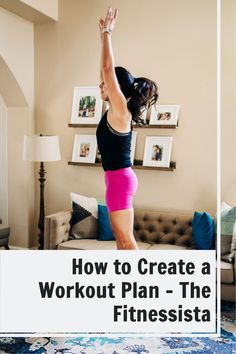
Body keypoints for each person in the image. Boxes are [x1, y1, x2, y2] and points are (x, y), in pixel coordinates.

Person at [96, 7, 158, 250]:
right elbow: (106, 71)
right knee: (122, 243)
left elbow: (108, 68)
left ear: (116, 88)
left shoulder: (121, 110)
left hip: (119, 179)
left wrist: (107, 33)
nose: (101, 85)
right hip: (116, 178)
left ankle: (142, 285)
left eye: (104, 84)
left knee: (126, 242)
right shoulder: (116, 111)